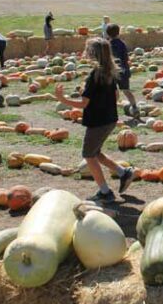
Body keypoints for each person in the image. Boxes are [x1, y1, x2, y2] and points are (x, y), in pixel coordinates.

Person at [54, 38, 135, 202]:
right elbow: (116, 95)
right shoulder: (110, 72)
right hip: (110, 119)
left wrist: (62, 99)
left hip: (98, 122)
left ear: (92, 54)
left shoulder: (94, 76)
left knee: (88, 155)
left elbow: (84, 103)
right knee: (96, 152)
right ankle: (123, 172)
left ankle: (105, 192)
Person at [106, 23, 140, 118]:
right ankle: (135, 108)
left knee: (114, 92)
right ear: (118, 32)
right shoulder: (122, 44)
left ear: (107, 34)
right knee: (126, 91)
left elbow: (107, 59)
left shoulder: (107, 45)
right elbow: (125, 58)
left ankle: (112, 111)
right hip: (124, 71)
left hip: (113, 71)